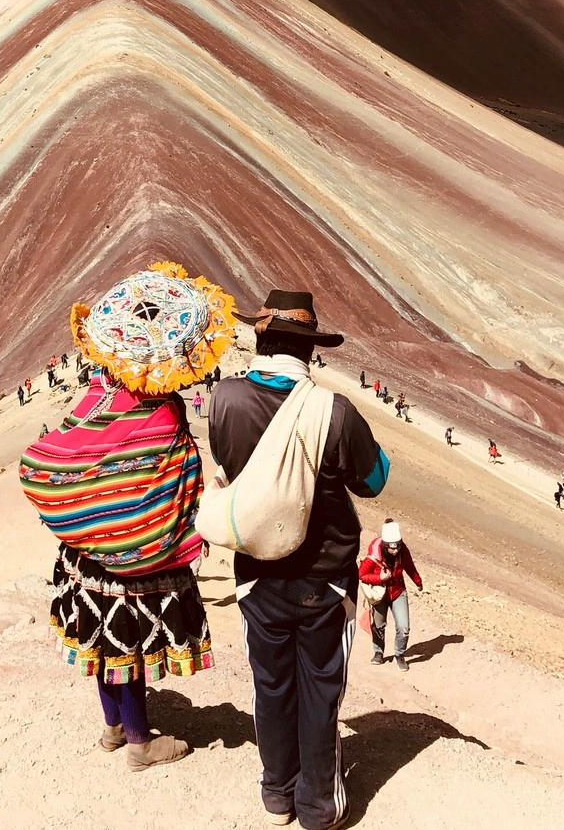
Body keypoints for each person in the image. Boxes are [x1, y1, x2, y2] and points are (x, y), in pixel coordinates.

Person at [20, 262, 234, 772]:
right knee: (127, 648)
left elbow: (68, 451)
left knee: (99, 641)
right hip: (137, 556)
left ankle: (114, 727)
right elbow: (178, 473)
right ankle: (140, 740)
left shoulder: (94, 396)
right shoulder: (165, 410)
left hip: (84, 554)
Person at [208, 289, 389, 830]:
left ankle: (277, 793)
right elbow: (374, 480)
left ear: (260, 338)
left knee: (271, 683)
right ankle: (318, 805)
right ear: (310, 351)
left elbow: (227, 462)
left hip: (256, 577)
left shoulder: (224, 401)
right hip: (324, 580)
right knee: (321, 687)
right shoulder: (333, 411)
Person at [360, 520, 423, 672]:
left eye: (397, 547)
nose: (395, 551)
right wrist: (379, 579)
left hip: (398, 591)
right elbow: (362, 575)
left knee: (404, 627)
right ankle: (378, 652)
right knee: (378, 625)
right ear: (385, 545)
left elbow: (409, 566)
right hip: (379, 594)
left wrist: (418, 582)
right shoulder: (374, 556)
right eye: (391, 548)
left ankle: (399, 654)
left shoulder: (403, 551)